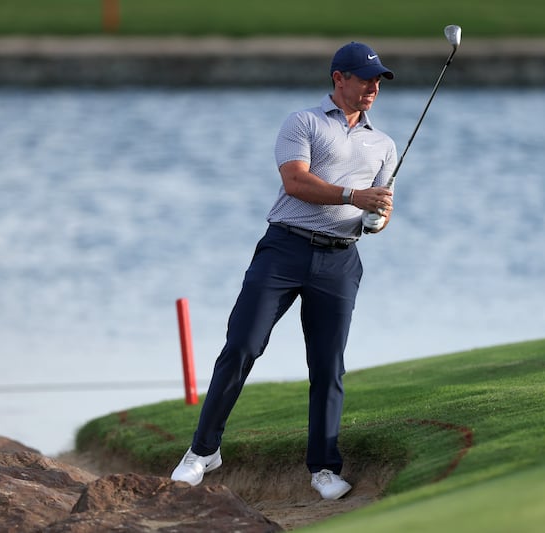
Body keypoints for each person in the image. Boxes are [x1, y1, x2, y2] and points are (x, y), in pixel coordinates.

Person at [170, 41, 398, 500]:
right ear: (339, 79)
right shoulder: (303, 122)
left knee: (328, 366)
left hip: (340, 261)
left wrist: (378, 218)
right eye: (364, 78)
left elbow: (382, 208)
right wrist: (355, 198)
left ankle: (324, 469)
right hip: (284, 250)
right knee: (243, 344)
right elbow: (295, 182)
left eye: (378, 79)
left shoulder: (384, 145)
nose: (373, 86)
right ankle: (202, 451)